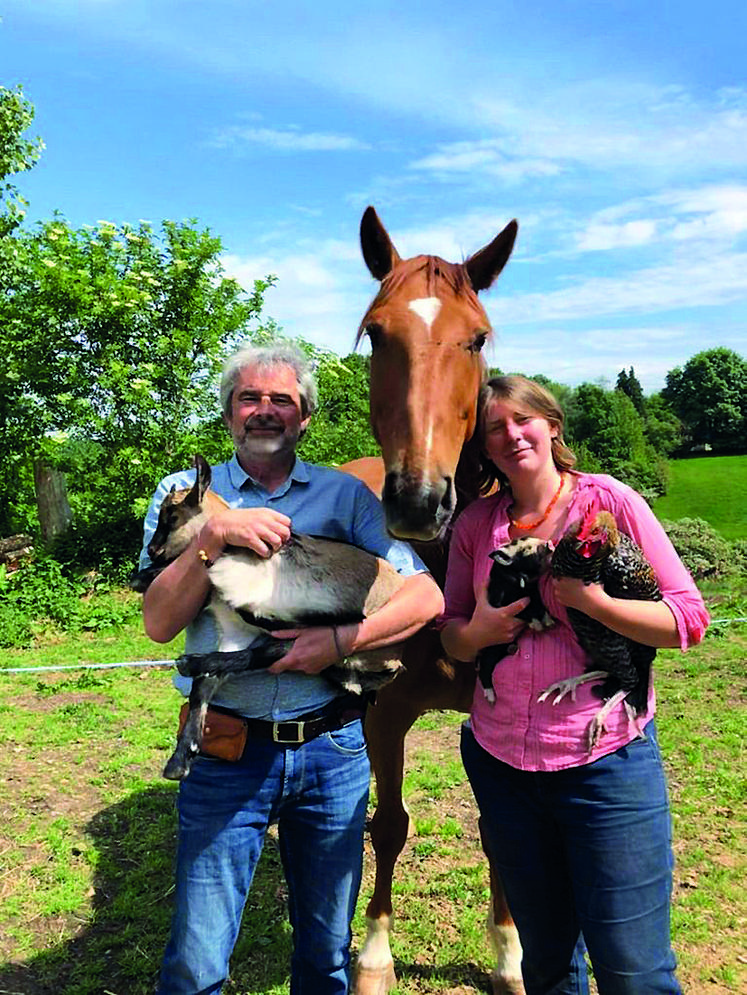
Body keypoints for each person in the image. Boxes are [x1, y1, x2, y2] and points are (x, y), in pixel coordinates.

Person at [140, 342, 444, 995]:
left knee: (327, 957)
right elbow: (159, 622)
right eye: (250, 397)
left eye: (282, 399)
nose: (265, 411)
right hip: (226, 751)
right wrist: (212, 539)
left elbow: (426, 597)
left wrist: (338, 641)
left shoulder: (344, 495)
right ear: (227, 412)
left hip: (331, 749)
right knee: (195, 966)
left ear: (304, 415)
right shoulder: (184, 494)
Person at [440, 375, 709, 995]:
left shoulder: (610, 502)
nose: (510, 435)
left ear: (552, 425)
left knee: (632, 969)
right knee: (549, 965)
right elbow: (450, 637)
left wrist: (589, 601)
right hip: (503, 767)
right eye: (492, 429)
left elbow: (688, 620)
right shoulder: (477, 524)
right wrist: (478, 630)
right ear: (481, 448)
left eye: (522, 420)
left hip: (604, 765)